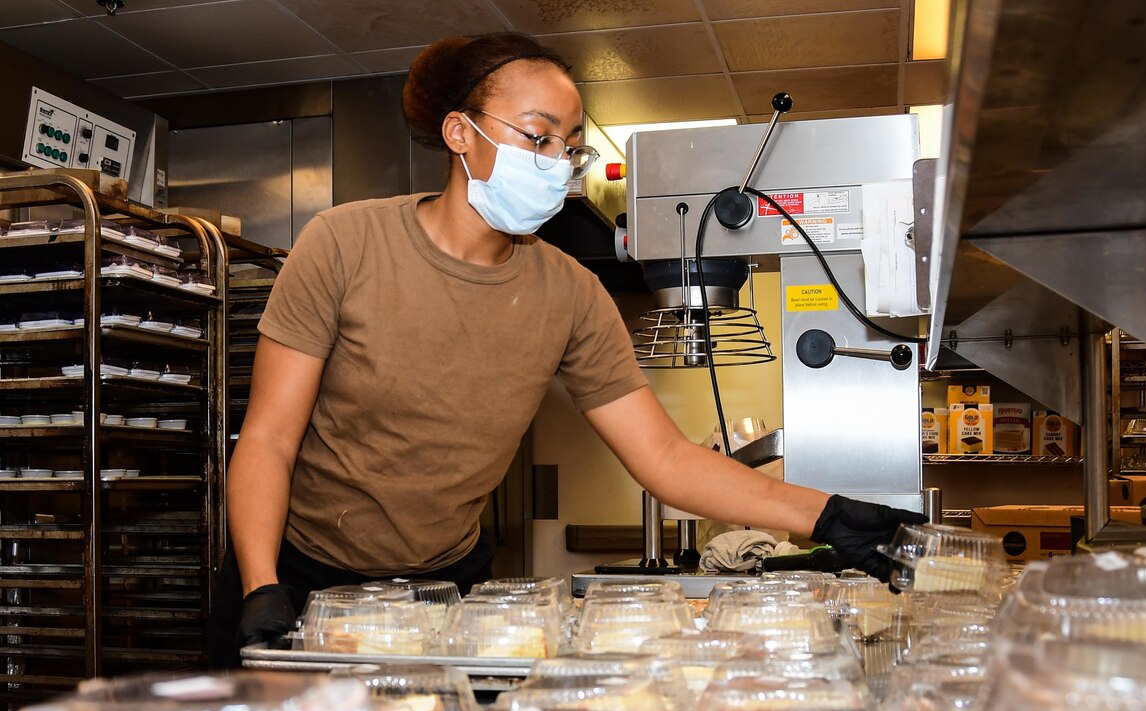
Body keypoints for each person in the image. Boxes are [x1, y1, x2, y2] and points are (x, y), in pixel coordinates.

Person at [210, 31, 922, 667]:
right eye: (538, 137)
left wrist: (825, 515)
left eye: (570, 144)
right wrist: (262, 586)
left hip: (443, 590)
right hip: (299, 578)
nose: (558, 161)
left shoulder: (572, 295)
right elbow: (270, 438)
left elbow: (668, 461)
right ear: (461, 133)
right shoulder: (344, 243)